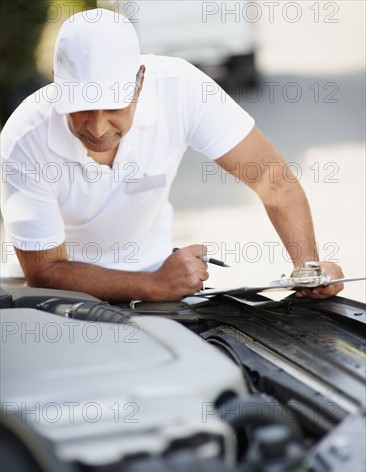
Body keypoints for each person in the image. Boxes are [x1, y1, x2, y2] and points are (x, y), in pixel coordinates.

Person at [1, 8, 344, 302]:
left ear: (140, 83)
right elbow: (46, 272)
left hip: (154, 277)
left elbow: (271, 178)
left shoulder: (182, 88)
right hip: (51, 299)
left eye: (114, 108)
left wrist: (309, 270)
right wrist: (153, 286)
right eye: (81, 109)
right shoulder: (23, 141)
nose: (98, 127)